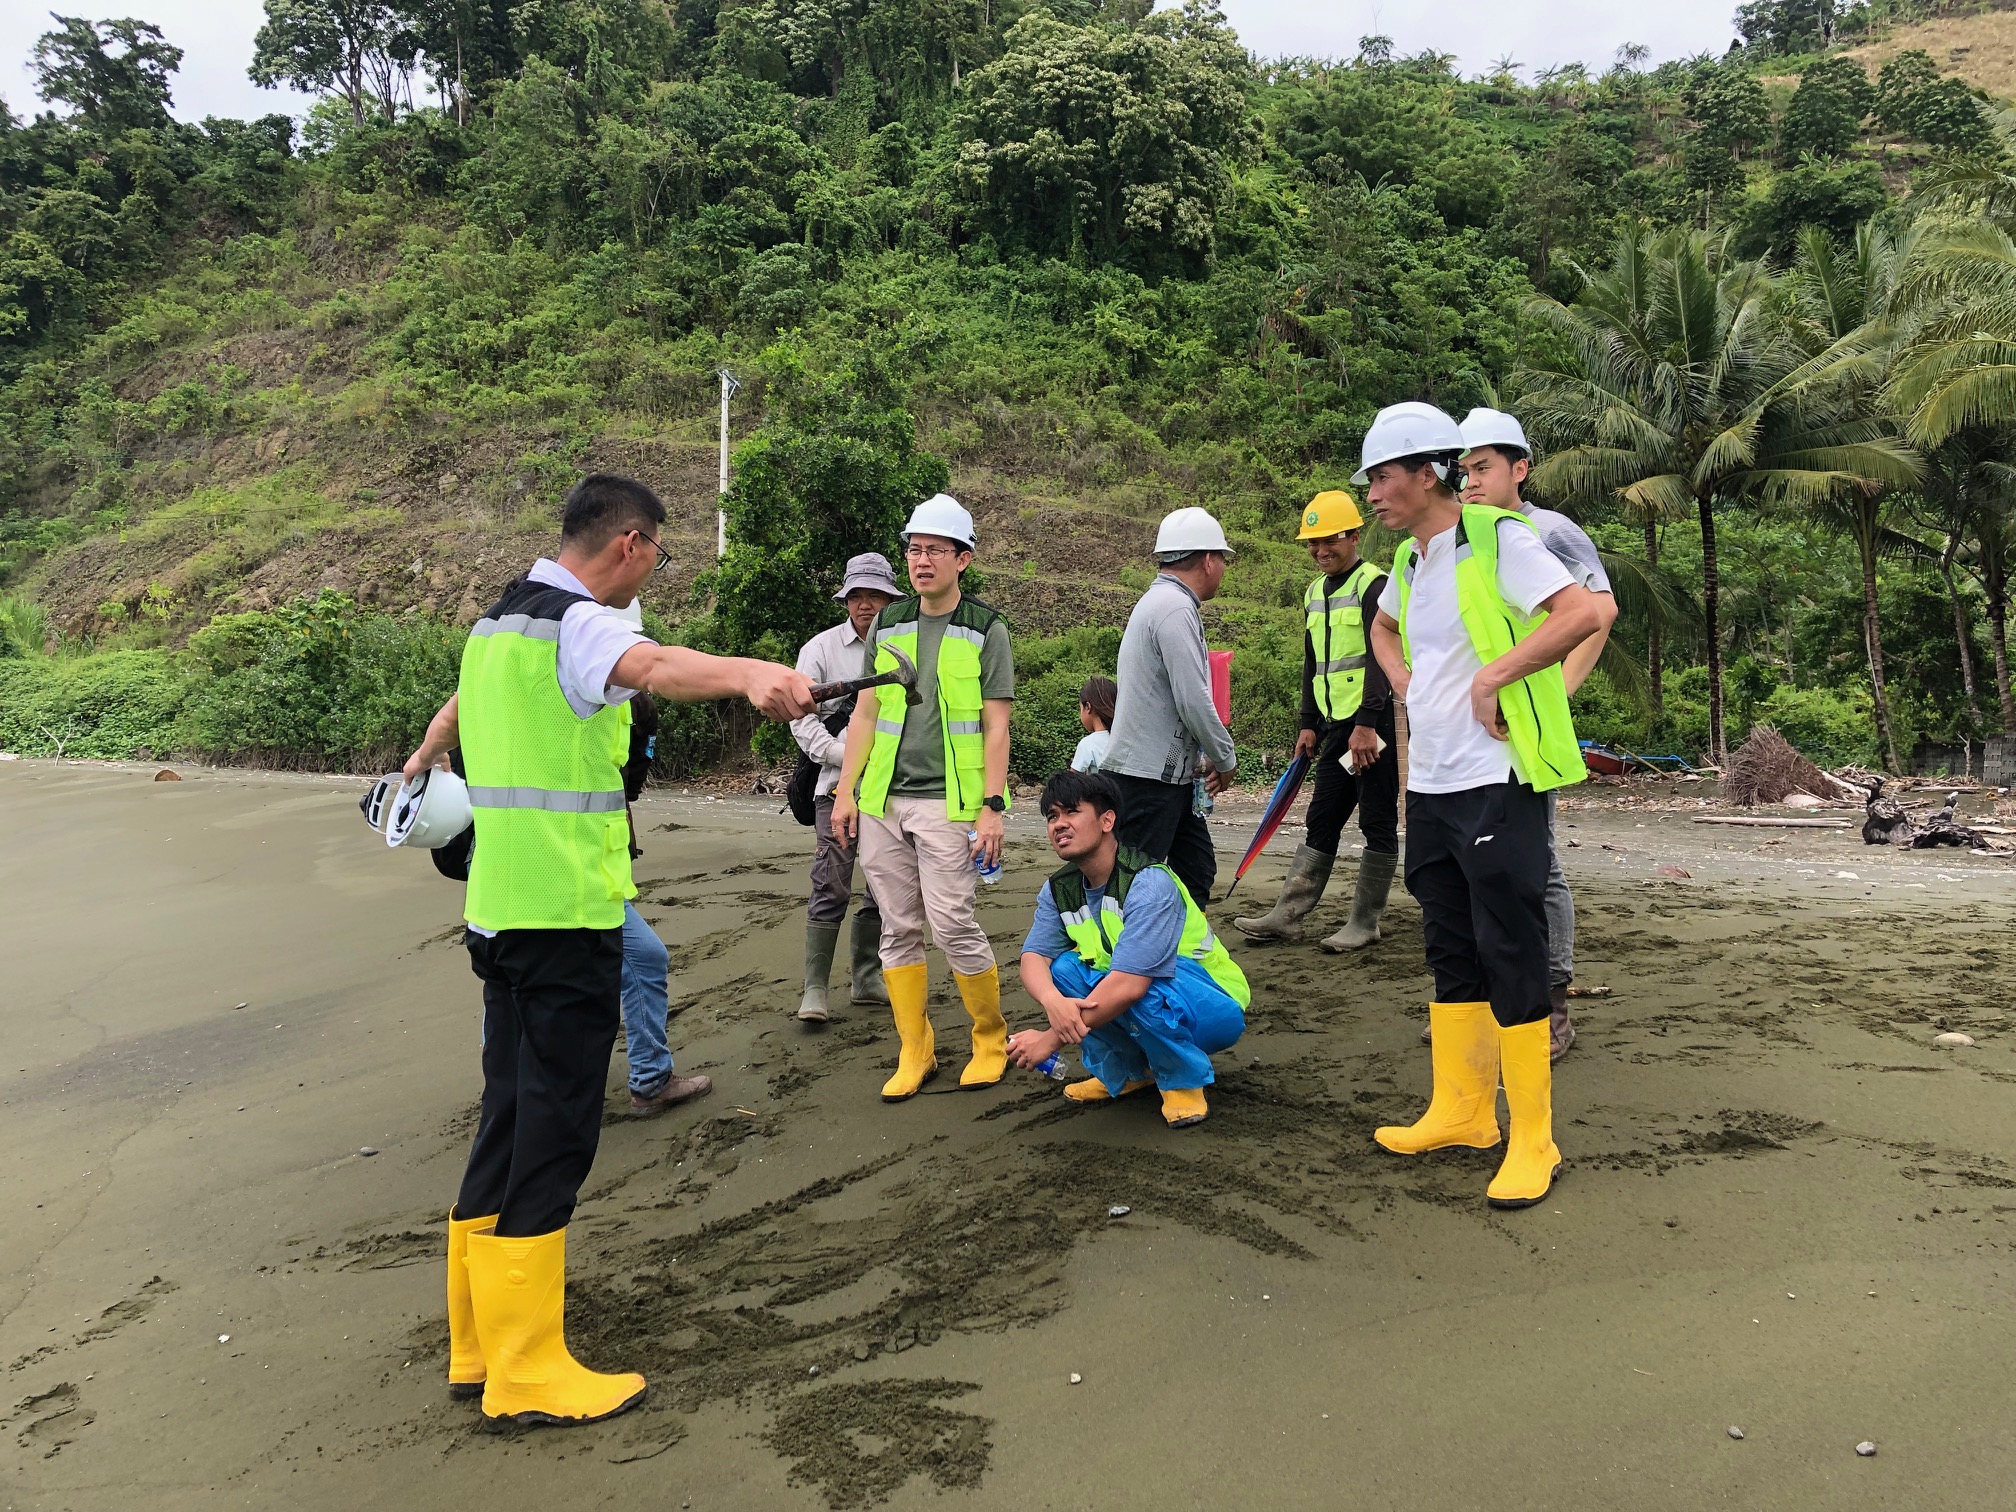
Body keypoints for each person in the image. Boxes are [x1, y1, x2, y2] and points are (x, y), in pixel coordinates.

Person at [402, 473, 813, 1428]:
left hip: (499, 916)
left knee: (505, 1117)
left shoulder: (496, 622)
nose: (652, 571)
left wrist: (425, 749)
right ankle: (528, 1367)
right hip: (564, 921)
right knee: (554, 1133)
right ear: (628, 542)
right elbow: (656, 666)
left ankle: (477, 1344)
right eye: (658, 554)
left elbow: (457, 712)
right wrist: (752, 672)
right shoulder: (580, 624)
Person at [1358, 404, 1601, 1209]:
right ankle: (1462, 1111)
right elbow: (1383, 627)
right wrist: (1401, 679)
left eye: (1382, 479)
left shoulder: (1500, 538)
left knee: (1511, 945)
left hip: (1498, 777)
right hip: (1429, 785)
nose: (1373, 496)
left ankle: (1533, 1134)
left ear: (1427, 473)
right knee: (1450, 942)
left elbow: (1580, 613)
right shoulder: (1409, 558)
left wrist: (1495, 677)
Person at [830, 493, 1015, 1101]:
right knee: (897, 928)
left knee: (953, 921)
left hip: (949, 803)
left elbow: (996, 726)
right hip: (883, 800)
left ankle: (989, 1039)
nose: (921, 560)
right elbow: (864, 712)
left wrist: (993, 807)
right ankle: (917, 1048)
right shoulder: (890, 622)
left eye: (935, 549)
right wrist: (846, 792)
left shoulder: (986, 628)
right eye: (914, 549)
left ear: (963, 559)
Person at [1459, 408, 1619, 1060]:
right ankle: (1479, 1000)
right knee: (1471, 861)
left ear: (1519, 468)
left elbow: (1598, 612)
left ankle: (1551, 1000)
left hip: (1522, 725)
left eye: (1483, 467)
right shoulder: (1460, 537)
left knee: (1537, 864)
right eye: (1461, 469)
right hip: (1474, 727)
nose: (1469, 480)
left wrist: (1556, 692)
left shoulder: (1548, 530)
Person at [1007, 769, 1249, 1129]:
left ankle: (1183, 1079)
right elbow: (1033, 958)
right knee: (1063, 972)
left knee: (1143, 988)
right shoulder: (1060, 889)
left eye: (1072, 812)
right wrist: (1052, 1002)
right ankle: (1128, 1073)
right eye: (1052, 816)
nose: (1059, 825)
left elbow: (1131, 985)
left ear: (1107, 820)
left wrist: (1051, 1038)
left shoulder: (1149, 882)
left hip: (1210, 1002)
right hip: (1143, 990)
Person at [1233, 488, 1401, 951]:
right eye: (1313, 542)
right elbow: (1313, 663)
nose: (1321, 550)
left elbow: (1383, 656)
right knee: (1322, 816)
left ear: (1355, 535)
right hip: (1333, 728)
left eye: (1331, 539)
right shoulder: (1313, 592)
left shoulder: (1376, 585)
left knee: (1377, 820)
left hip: (1372, 727)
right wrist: (1307, 722)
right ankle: (1288, 915)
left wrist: (1367, 723)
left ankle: (1365, 923)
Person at [1101, 507, 1239, 906]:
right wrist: (1224, 757)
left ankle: (1174, 952)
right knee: (1132, 880)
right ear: (1209, 560)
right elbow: (1193, 698)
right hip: (1146, 778)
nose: (1223, 569)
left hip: (1166, 777)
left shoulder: (1160, 602)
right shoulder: (1174, 609)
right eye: (1223, 560)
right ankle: (1120, 960)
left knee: (1196, 869)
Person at [790, 552, 901, 1023]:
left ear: (890, 598)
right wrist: (849, 757)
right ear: (846, 600)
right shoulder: (819, 649)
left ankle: (866, 977)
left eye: (874, 594)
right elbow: (801, 720)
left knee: (883, 886)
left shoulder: (905, 645)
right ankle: (814, 989)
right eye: (857, 595)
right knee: (831, 883)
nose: (866, 604)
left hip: (894, 788)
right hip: (835, 786)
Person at [610, 623, 712, 1114]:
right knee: (640, 959)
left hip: (584, 857)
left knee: (515, 976)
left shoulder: (639, 706)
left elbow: (634, 774)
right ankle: (649, 1078)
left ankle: (507, 1082)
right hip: (570, 864)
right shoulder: (628, 701)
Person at [1072, 675, 1116, 772]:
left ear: (1087, 707)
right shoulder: (1123, 738)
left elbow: (1070, 782)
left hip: (1099, 787)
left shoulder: (1088, 744)